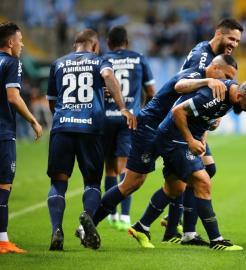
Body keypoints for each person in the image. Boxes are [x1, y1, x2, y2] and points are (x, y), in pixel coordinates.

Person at [82, 54, 237, 248]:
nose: (227, 81)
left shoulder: (214, 87)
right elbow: (179, 87)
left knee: (178, 186)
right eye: (226, 75)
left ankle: (143, 227)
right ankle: (89, 225)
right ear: (214, 68)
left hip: (170, 133)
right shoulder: (195, 74)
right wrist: (209, 80)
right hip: (150, 127)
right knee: (131, 183)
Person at [129, 79, 246, 251]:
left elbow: (204, 115)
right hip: (174, 139)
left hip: (176, 138)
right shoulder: (214, 96)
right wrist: (190, 140)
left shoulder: (231, 96)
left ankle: (141, 227)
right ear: (240, 95)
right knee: (203, 181)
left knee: (175, 188)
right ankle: (216, 240)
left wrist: (210, 124)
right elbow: (178, 111)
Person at [46, 29, 135, 251]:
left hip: (62, 128)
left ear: (75, 45)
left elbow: (52, 102)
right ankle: (87, 216)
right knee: (92, 182)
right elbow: (107, 76)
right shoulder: (100, 61)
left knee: (58, 182)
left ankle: (56, 229)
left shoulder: (58, 63)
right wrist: (123, 107)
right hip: (91, 129)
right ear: (95, 46)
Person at [161, 18, 244, 245]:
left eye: (237, 40)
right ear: (219, 33)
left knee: (202, 171)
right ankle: (176, 225)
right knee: (188, 176)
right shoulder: (202, 57)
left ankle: (179, 226)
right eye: (231, 38)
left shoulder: (212, 56)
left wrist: (209, 116)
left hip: (194, 121)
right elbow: (181, 88)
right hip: (180, 121)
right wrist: (207, 86)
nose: (234, 44)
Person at [102, 26, 155, 231]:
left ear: (108, 43)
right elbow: (151, 91)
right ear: (127, 42)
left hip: (106, 118)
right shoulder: (139, 58)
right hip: (129, 118)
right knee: (125, 167)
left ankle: (110, 214)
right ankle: (124, 216)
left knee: (109, 168)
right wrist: (143, 110)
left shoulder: (103, 59)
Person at [0, 22, 43, 254]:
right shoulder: (11, 62)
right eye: (20, 40)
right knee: (3, 185)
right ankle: (3, 239)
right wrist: (33, 120)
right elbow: (13, 97)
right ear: (10, 43)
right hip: (3, 133)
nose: (23, 44)